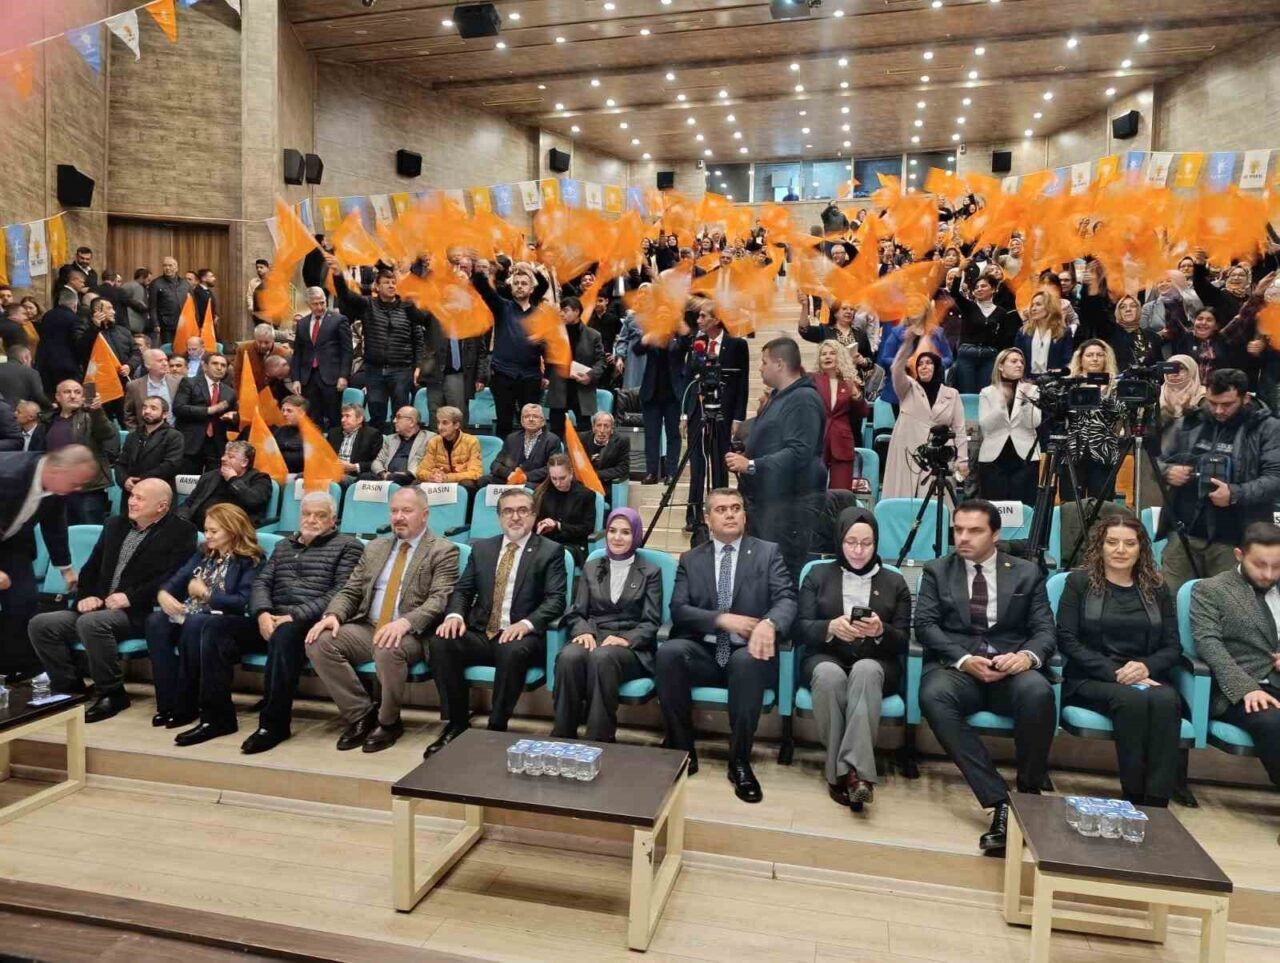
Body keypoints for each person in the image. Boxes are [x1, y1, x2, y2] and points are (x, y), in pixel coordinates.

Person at [915, 500, 1057, 853]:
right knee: (933, 694)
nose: (963, 537)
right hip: (962, 669)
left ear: (995, 534)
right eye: (958, 530)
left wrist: (1026, 657)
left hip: (1011, 669)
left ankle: (1029, 793)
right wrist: (963, 660)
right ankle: (999, 800)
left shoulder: (1026, 572)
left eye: (974, 530)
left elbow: (1044, 630)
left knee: (1038, 692)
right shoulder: (937, 570)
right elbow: (925, 625)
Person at [656, 488, 796, 802]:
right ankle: (683, 751)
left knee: (746, 662)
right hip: (705, 651)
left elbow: (786, 599)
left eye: (736, 508)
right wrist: (722, 619)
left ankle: (740, 761)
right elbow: (679, 609)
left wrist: (769, 623)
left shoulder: (767, 553)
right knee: (669, 653)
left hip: (747, 651)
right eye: (721, 509)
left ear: (744, 515)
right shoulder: (691, 559)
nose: (730, 514)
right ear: (707, 519)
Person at [29, 479, 197, 722]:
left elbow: (173, 578)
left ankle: (112, 693)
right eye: (132, 495)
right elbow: (91, 568)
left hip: (141, 612)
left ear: (161, 506)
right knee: (42, 624)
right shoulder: (114, 524)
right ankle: (70, 689)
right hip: (100, 606)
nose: (132, 501)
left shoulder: (182, 532)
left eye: (140, 498)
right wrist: (86, 596)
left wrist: (130, 597)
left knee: (92, 623)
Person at [307, 487, 460, 753]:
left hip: (411, 633)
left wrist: (404, 623)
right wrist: (333, 615)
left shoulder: (443, 550)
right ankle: (361, 714)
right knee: (319, 641)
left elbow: (439, 599)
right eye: (394, 511)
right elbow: (351, 590)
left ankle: (388, 722)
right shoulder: (376, 547)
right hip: (369, 625)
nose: (398, 517)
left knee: (387, 647)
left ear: (425, 515)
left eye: (406, 511)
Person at [428, 488, 568, 752]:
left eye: (522, 510)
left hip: (522, 636)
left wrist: (526, 624)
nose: (515, 517)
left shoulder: (550, 551)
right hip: (482, 632)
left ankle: (496, 727)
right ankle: (456, 722)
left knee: (511, 650)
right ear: (499, 517)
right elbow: (463, 590)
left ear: (534, 515)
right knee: (441, 642)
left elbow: (556, 600)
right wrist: (455, 615)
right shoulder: (482, 548)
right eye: (508, 511)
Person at [1057, 517, 1182, 806]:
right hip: (1092, 676)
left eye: (1129, 543)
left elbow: (1173, 646)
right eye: (1112, 542)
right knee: (1131, 699)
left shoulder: (1157, 587)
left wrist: (1146, 667)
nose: (1120, 550)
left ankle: (1158, 801)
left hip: (1146, 675)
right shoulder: (1078, 583)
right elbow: (1067, 639)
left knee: (1167, 699)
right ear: (1099, 547)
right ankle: (1133, 795)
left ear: (1141, 549)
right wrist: (1115, 672)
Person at [795, 508, 912, 809]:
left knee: (865, 670)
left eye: (866, 543)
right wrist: (829, 628)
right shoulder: (818, 575)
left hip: (878, 661)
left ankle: (846, 772)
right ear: (840, 540)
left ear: (876, 543)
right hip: (826, 655)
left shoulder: (895, 582)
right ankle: (854, 777)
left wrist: (880, 631)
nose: (858, 551)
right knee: (829, 676)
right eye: (851, 542)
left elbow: (902, 640)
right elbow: (801, 627)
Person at [241, 492, 363, 753]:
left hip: (310, 622)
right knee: (213, 628)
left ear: (333, 520)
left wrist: (293, 615)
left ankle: (273, 726)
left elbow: (341, 592)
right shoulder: (284, 545)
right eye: (306, 514)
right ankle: (213, 715)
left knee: (284, 634)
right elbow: (262, 582)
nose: (311, 520)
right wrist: (262, 612)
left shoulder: (348, 546)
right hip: (272, 618)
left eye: (320, 515)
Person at [146, 504, 265, 743]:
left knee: (196, 623)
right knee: (156, 621)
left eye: (214, 531)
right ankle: (169, 703)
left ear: (232, 530)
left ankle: (191, 706)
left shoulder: (251, 560)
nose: (207, 536)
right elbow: (177, 580)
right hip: (195, 615)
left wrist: (207, 594)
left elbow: (243, 602)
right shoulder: (203, 553)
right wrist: (164, 595)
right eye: (206, 530)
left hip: (229, 621)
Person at [1159, 368, 1280, 593]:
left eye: (1227, 404)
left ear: (1245, 398)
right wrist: (1168, 471)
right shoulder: (1191, 421)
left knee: (1228, 603)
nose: (1218, 410)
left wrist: (1234, 493)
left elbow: (1275, 479)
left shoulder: (1267, 428)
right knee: (1171, 600)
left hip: (1235, 536)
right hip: (1184, 531)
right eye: (1213, 403)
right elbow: (1158, 460)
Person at [552, 507, 662, 742]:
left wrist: (626, 639)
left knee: (602, 657)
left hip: (630, 647)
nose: (617, 537)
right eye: (612, 531)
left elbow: (651, 621)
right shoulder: (592, 567)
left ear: (636, 535)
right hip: (595, 634)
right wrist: (583, 631)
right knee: (569, 657)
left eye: (625, 532)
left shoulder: (650, 571)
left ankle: (599, 738)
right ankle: (562, 735)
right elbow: (576, 612)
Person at [1190, 522, 1280, 791]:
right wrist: (1246, 688)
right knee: (1273, 722)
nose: (1268, 574)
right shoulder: (1211, 590)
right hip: (1239, 690)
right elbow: (1209, 645)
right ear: (1239, 555)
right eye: (1260, 565)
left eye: (1277, 566)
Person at [727, 337, 825, 579]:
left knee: (781, 577)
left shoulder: (803, 399)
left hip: (789, 509)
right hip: (770, 504)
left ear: (779, 364)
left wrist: (751, 465)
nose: (760, 368)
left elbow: (800, 452)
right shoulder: (780, 397)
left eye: (764, 362)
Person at [0, 448, 94, 681]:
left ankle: (16, 668)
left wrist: (66, 569)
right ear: (56, 471)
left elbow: (54, 525)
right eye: (75, 483)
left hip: (12, 543)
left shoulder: (57, 486)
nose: (78, 489)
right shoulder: (7, 476)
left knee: (24, 601)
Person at [329, 256, 432, 432]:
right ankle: (377, 445)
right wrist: (338, 275)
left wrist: (418, 366)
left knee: (401, 415)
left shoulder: (408, 307)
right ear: (377, 286)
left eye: (394, 282)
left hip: (401, 370)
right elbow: (346, 295)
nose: (391, 286)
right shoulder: (368, 304)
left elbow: (419, 339)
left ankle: (399, 446)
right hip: (374, 370)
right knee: (376, 414)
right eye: (386, 282)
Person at [685, 300, 749, 531]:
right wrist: (685, 414)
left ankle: (721, 512)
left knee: (720, 465)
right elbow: (689, 379)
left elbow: (742, 384)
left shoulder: (737, 345)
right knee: (697, 464)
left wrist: (738, 417)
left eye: (703, 316)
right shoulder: (697, 343)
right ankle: (694, 516)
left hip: (724, 413)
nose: (699, 320)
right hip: (698, 411)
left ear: (716, 318)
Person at [883, 329, 968, 500]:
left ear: (937, 367)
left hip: (937, 456)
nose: (924, 366)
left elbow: (959, 429)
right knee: (905, 500)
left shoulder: (952, 394)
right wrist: (907, 343)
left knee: (936, 504)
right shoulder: (907, 388)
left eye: (929, 363)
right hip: (908, 454)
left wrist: (962, 459)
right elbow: (896, 368)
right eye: (920, 363)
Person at [471, 261, 548, 437]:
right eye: (516, 283)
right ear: (511, 287)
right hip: (503, 375)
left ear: (531, 289)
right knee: (504, 423)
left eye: (524, 283)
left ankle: (531, 454)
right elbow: (483, 288)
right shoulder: (502, 307)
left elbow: (547, 347)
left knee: (531, 423)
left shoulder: (540, 315)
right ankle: (505, 454)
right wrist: (479, 267)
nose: (519, 286)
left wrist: (548, 374)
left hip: (531, 376)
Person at [40, 380, 119, 524]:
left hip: (87, 491)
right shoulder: (47, 420)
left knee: (88, 533)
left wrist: (97, 411)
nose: (73, 396)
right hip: (55, 491)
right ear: (57, 397)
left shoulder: (90, 416)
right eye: (67, 392)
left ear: (83, 397)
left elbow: (106, 433)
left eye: (77, 392)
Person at [1061, 339, 1126, 502]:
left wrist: (1100, 394)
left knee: (1101, 506)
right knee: (1071, 505)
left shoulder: (1116, 385)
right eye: (1089, 355)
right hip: (1073, 451)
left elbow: (1121, 411)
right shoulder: (1069, 384)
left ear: (1106, 358)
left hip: (1104, 451)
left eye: (1099, 355)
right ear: (1080, 359)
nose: (1095, 359)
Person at [977, 348, 1041, 506]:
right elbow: (986, 426)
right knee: (994, 509)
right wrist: (1001, 404)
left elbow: (1035, 422)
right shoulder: (987, 392)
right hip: (993, 459)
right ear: (1000, 366)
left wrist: (1025, 402)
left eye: (1021, 362)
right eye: (1014, 361)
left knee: (1024, 508)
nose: (1019, 365)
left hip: (1025, 457)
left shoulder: (1032, 390)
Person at [636, 320, 693, 484]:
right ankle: (651, 472)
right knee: (651, 435)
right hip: (651, 393)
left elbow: (686, 345)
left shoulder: (678, 337)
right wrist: (648, 337)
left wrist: (682, 329)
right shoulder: (651, 333)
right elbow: (637, 350)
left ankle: (671, 473)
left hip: (673, 394)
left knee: (673, 435)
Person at [290, 286, 352, 431]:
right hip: (308, 378)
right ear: (308, 304)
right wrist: (296, 379)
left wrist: (343, 376)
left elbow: (347, 351)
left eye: (322, 303)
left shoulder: (339, 320)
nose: (319, 307)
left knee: (334, 418)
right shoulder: (302, 323)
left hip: (331, 377)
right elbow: (298, 353)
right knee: (313, 419)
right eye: (315, 304)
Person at [545, 297, 606, 441]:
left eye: (565, 310)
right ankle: (557, 455)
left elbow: (601, 361)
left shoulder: (593, 335)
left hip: (582, 387)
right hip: (559, 387)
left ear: (577, 312)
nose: (562, 314)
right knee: (555, 431)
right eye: (560, 311)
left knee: (584, 431)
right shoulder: (554, 334)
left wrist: (590, 375)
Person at [949, 268, 1018, 393]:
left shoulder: (1001, 313)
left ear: (993, 289)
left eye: (983, 286)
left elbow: (1004, 339)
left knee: (985, 393)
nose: (979, 289)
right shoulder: (968, 307)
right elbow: (954, 292)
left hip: (989, 357)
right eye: (976, 287)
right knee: (967, 393)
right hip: (967, 355)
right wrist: (960, 270)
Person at [177, 440, 274, 528]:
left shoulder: (260, 478)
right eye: (224, 455)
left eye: (230, 457)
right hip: (196, 526)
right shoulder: (210, 476)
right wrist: (182, 519)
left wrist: (233, 479)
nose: (223, 458)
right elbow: (189, 503)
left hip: (234, 530)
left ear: (244, 462)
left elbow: (253, 500)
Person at [814, 340, 867, 491]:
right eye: (823, 354)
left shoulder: (848, 381)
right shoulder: (813, 380)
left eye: (832, 353)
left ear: (840, 357)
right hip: (817, 440)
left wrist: (856, 394)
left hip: (842, 442)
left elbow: (863, 412)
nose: (827, 357)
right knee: (813, 490)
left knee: (841, 493)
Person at [173, 352, 238, 475]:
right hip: (191, 443)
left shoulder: (230, 392)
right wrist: (208, 410)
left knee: (212, 482)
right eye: (215, 363)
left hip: (217, 445)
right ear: (205, 366)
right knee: (187, 480)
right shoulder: (189, 383)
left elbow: (236, 415)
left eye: (223, 365)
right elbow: (179, 408)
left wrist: (233, 417)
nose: (219, 368)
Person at [532, 454, 597, 567]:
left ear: (571, 473)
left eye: (562, 478)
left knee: (554, 554)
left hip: (574, 545)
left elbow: (586, 529)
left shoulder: (586, 495)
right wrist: (541, 525)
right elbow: (534, 522)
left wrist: (558, 525)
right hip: (547, 541)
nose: (558, 483)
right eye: (554, 479)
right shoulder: (543, 493)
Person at [115, 397, 185, 492]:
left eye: (153, 408)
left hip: (158, 491)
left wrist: (140, 481)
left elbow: (170, 466)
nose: (147, 411)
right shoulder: (132, 436)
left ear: (164, 414)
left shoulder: (174, 436)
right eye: (144, 407)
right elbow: (120, 464)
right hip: (131, 491)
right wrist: (124, 480)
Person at [489, 403, 560, 485]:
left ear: (543, 421)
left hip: (535, 482)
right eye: (526, 416)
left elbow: (553, 468)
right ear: (522, 421)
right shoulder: (511, 438)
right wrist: (510, 474)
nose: (531, 419)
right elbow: (496, 464)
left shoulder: (552, 440)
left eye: (535, 416)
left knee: (528, 487)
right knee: (485, 480)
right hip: (511, 479)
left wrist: (525, 476)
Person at [417, 406, 483, 492]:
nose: (440, 427)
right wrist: (432, 476)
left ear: (456, 425)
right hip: (439, 482)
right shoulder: (434, 442)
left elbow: (475, 473)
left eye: (445, 423)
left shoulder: (471, 442)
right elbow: (421, 471)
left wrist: (447, 477)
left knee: (468, 484)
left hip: (459, 483)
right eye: (438, 423)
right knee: (416, 483)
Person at [1014, 290, 1074, 376]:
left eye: (1038, 304)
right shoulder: (1023, 331)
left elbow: (1066, 360)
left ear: (1050, 307)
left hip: (1053, 379)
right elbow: (1017, 357)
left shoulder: (1064, 332)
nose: (1033, 308)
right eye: (1032, 305)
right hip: (1027, 379)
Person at [368, 406, 431, 484]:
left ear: (411, 422)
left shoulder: (428, 438)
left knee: (397, 478)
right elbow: (378, 461)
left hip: (410, 478)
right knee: (363, 477)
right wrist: (383, 474)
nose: (394, 421)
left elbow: (424, 463)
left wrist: (407, 474)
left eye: (398, 417)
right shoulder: (390, 439)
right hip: (386, 476)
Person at [124, 348, 183, 429]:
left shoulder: (178, 381)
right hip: (146, 433)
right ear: (147, 365)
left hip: (176, 431)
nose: (165, 363)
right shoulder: (134, 386)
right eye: (160, 361)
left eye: (166, 360)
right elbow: (129, 414)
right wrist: (135, 433)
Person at [327, 403, 383, 484]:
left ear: (359, 419)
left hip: (356, 476)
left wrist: (354, 467)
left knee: (339, 478)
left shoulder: (372, 435)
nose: (343, 420)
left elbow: (376, 462)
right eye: (342, 416)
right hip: (331, 472)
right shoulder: (333, 433)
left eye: (347, 416)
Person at [581, 412, 630, 503]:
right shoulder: (581, 438)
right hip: (584, 483)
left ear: (612, 429)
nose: (602, 430)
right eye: (599, 425)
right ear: (593, 428)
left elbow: (623, 468)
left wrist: (596, 475)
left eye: (606, 426)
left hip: (606, 484)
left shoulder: (622, 441)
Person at [234, 323, 290, 399]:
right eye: (259, 342)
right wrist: (239, 397)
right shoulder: (243, 349)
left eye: (267, 342)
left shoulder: (283, 353)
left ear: (273, 340)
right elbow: (237, 375)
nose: (263, 345)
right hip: (249, 393)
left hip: (273, 396)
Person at [148, 257, 190, 347]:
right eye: (165, 266)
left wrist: (196, 321)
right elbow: (152, 306)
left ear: (176, 268)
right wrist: (155, 324)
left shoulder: (185, 284)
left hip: (184, 323)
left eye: (170, 265)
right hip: (166, 325)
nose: (167, 268)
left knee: (184, 348)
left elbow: (193, 305)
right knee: (168, 349)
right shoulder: (156, 283)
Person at [272, 396, 308, 474]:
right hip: (279, 474)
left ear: (302, 413)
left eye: (289, 411)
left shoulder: (313, 433)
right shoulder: (279, 431)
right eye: (283, 410)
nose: (284, 414)